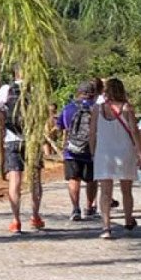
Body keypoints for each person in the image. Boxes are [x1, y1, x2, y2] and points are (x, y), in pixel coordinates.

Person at [0, 72, 45, 234]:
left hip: (12, 139)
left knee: (15, 180)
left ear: (15, 74)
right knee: (35, 179)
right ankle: (35, 217)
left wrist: (3, 117)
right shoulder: (35, 89)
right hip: (33, 140)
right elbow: (43, 114)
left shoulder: (6, 89)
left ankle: (16, 221)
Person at [90, 76, 141, 237]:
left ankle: (106, 227)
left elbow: (92, 133)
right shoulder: (127, 108)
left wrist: (93, 152)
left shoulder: (98, 109)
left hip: (104, 153)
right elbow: (134, 131)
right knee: (127, 190)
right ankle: (127, 221)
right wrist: (140, 151)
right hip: (125, 152)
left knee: (105, 191)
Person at [56, 81, 99, 222]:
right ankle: (90, 207)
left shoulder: (68, 108)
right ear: (93, 94)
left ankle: (75, 208)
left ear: (78, 92)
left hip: (72, 150)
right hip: (92, 150)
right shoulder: (97, 108)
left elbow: (60, 127)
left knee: (74, 179)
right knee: (91, 180)